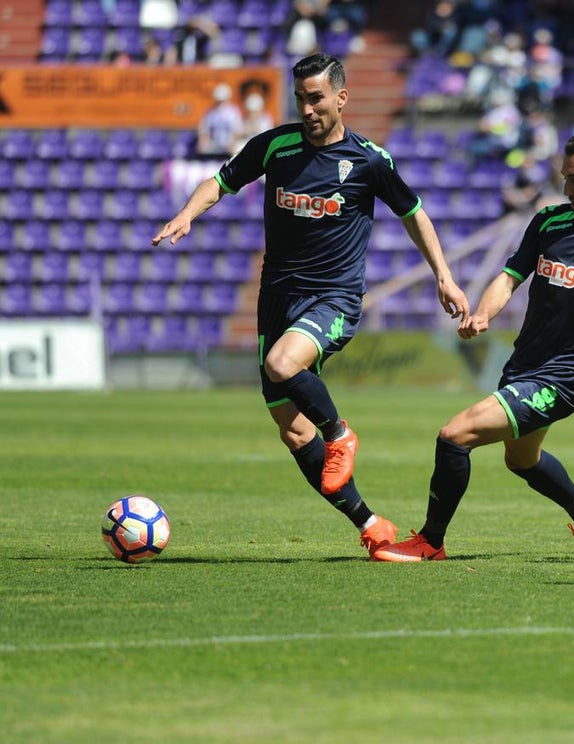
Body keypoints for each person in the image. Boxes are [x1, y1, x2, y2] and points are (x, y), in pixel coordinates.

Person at [152, 53, 470, 559]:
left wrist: (445, 277)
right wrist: (187, 214)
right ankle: (370, 524)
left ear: (341, 98)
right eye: (300, 98)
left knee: (283, 366)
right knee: (295, 432)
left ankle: (341, 434)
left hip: (335, 297)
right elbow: (221, 181)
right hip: (276, 299)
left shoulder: (368, 160)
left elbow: (414, 214)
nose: (307, 108)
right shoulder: (276, 146)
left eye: (316, 98)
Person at [372, 131, 574, 562]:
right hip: (523, 364)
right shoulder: (548, 222)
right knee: (522, 460)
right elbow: (509, 277)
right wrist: (483, 313)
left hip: (565, 377)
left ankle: (430, 542)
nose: (567, 189)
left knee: (454, 437)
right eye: (564, 178)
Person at [196, 83, 243, 157]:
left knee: (238, 147)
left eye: (222, 100)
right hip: (214, 143)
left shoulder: (233, 112)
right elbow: (204, 130)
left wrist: (232, 142)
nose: (220, 103)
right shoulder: (210, 112)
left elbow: (237, 131)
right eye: (219, 100)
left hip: (229, 143)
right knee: (203, 147)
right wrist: (203, 141)